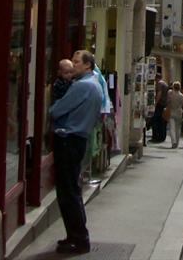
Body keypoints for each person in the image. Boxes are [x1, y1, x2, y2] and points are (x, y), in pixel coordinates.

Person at [49, 50, 103, 255]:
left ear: (87, 65)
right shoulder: (95, 84)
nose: (73, 64)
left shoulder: (82, 86)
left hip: (68, 139)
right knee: (71, 190)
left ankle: (79, 238)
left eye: (76, 61)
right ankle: (75, 236)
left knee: (68, 191)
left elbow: (56, 110)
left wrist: (53, 107)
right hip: (79, 139)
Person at [166, 81, 183, 148]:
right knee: (177, 129)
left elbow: (167, 101)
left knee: (172, 128)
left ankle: (173, 141)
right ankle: (177, 142)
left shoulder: (170, 93)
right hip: (179, 113)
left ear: (173, 87)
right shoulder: (181, 96)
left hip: (171, 112)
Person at [151, 74, 169, 143]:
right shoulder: (165, 84)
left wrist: (155, 104)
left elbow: (159, 93)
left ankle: (156, 136)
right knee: (162, 121)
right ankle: (162, 136)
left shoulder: (160, 84)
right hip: (164, 104)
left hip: (160, 104)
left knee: (154, 119)